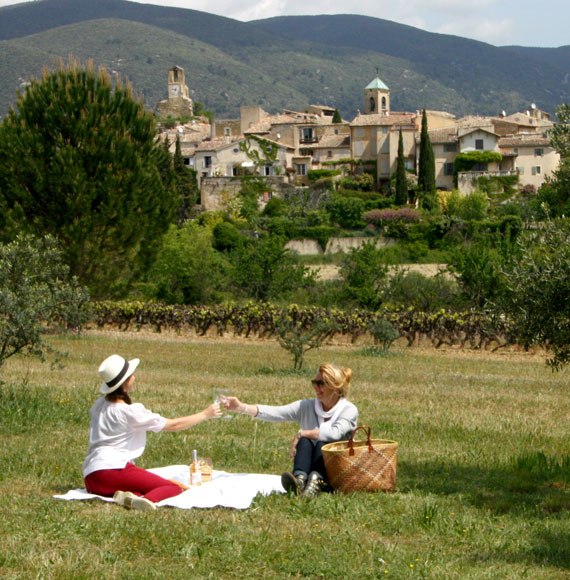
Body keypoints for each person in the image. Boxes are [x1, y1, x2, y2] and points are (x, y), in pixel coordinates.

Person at [82, 354, 221, 511]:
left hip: (92, 479)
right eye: (132, 375)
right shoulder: (130, 412)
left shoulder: (99, 405)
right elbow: (173, 425)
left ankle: (130, 496)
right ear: (126, 382)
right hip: (113, 470)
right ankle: (144, 501)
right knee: (172, 488)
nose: (134, 377)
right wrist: (205, 414)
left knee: (143, 485)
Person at [222, 363, 358, 498]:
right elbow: (277, 413)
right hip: (312, 467)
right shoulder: (307, 406)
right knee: (306, 441)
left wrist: (302, 433)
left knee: (321, 441)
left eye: (321, 383)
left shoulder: (348, 410)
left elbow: (335, 433)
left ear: (335, 387)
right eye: (314, 382)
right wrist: (242, 407)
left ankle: (317, 481)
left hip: (336, 471)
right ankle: (299, 479)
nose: (316, 387)